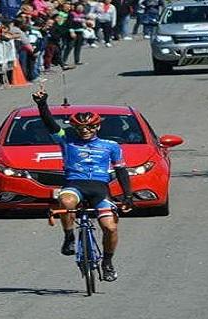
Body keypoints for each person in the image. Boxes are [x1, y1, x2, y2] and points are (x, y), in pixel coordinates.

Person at [32, 89, 134, 282]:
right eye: (80, 128)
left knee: (110, 228)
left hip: (100, 189)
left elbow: (121, 171)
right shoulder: (66, 140)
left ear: (97, 127)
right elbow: (51, 125)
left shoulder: (111, 146)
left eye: (89, 127)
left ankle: (107, 262)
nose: (85, 131)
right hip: (75, 185)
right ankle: (69, 237)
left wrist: (128, 195)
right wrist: (42, 104)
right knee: (66, 201)